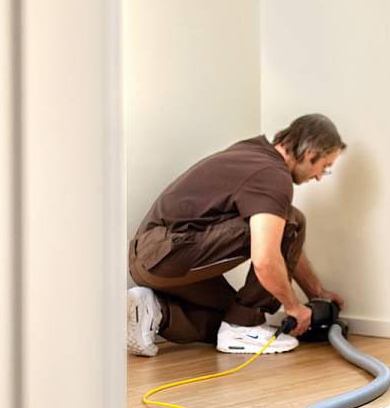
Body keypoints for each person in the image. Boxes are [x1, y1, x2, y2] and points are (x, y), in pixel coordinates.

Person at [125, 114, 347, 356]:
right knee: (291, 221)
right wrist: (293, 307)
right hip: (166, 254)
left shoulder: (253, 152)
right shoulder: (273, 175)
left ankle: (155, 311)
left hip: (151, 259)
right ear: (309, 153)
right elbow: (266, 258)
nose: (318, 176)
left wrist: (316, 292)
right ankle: (244, 326)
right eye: (324, 167)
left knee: (230, 318)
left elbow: (283, 243)